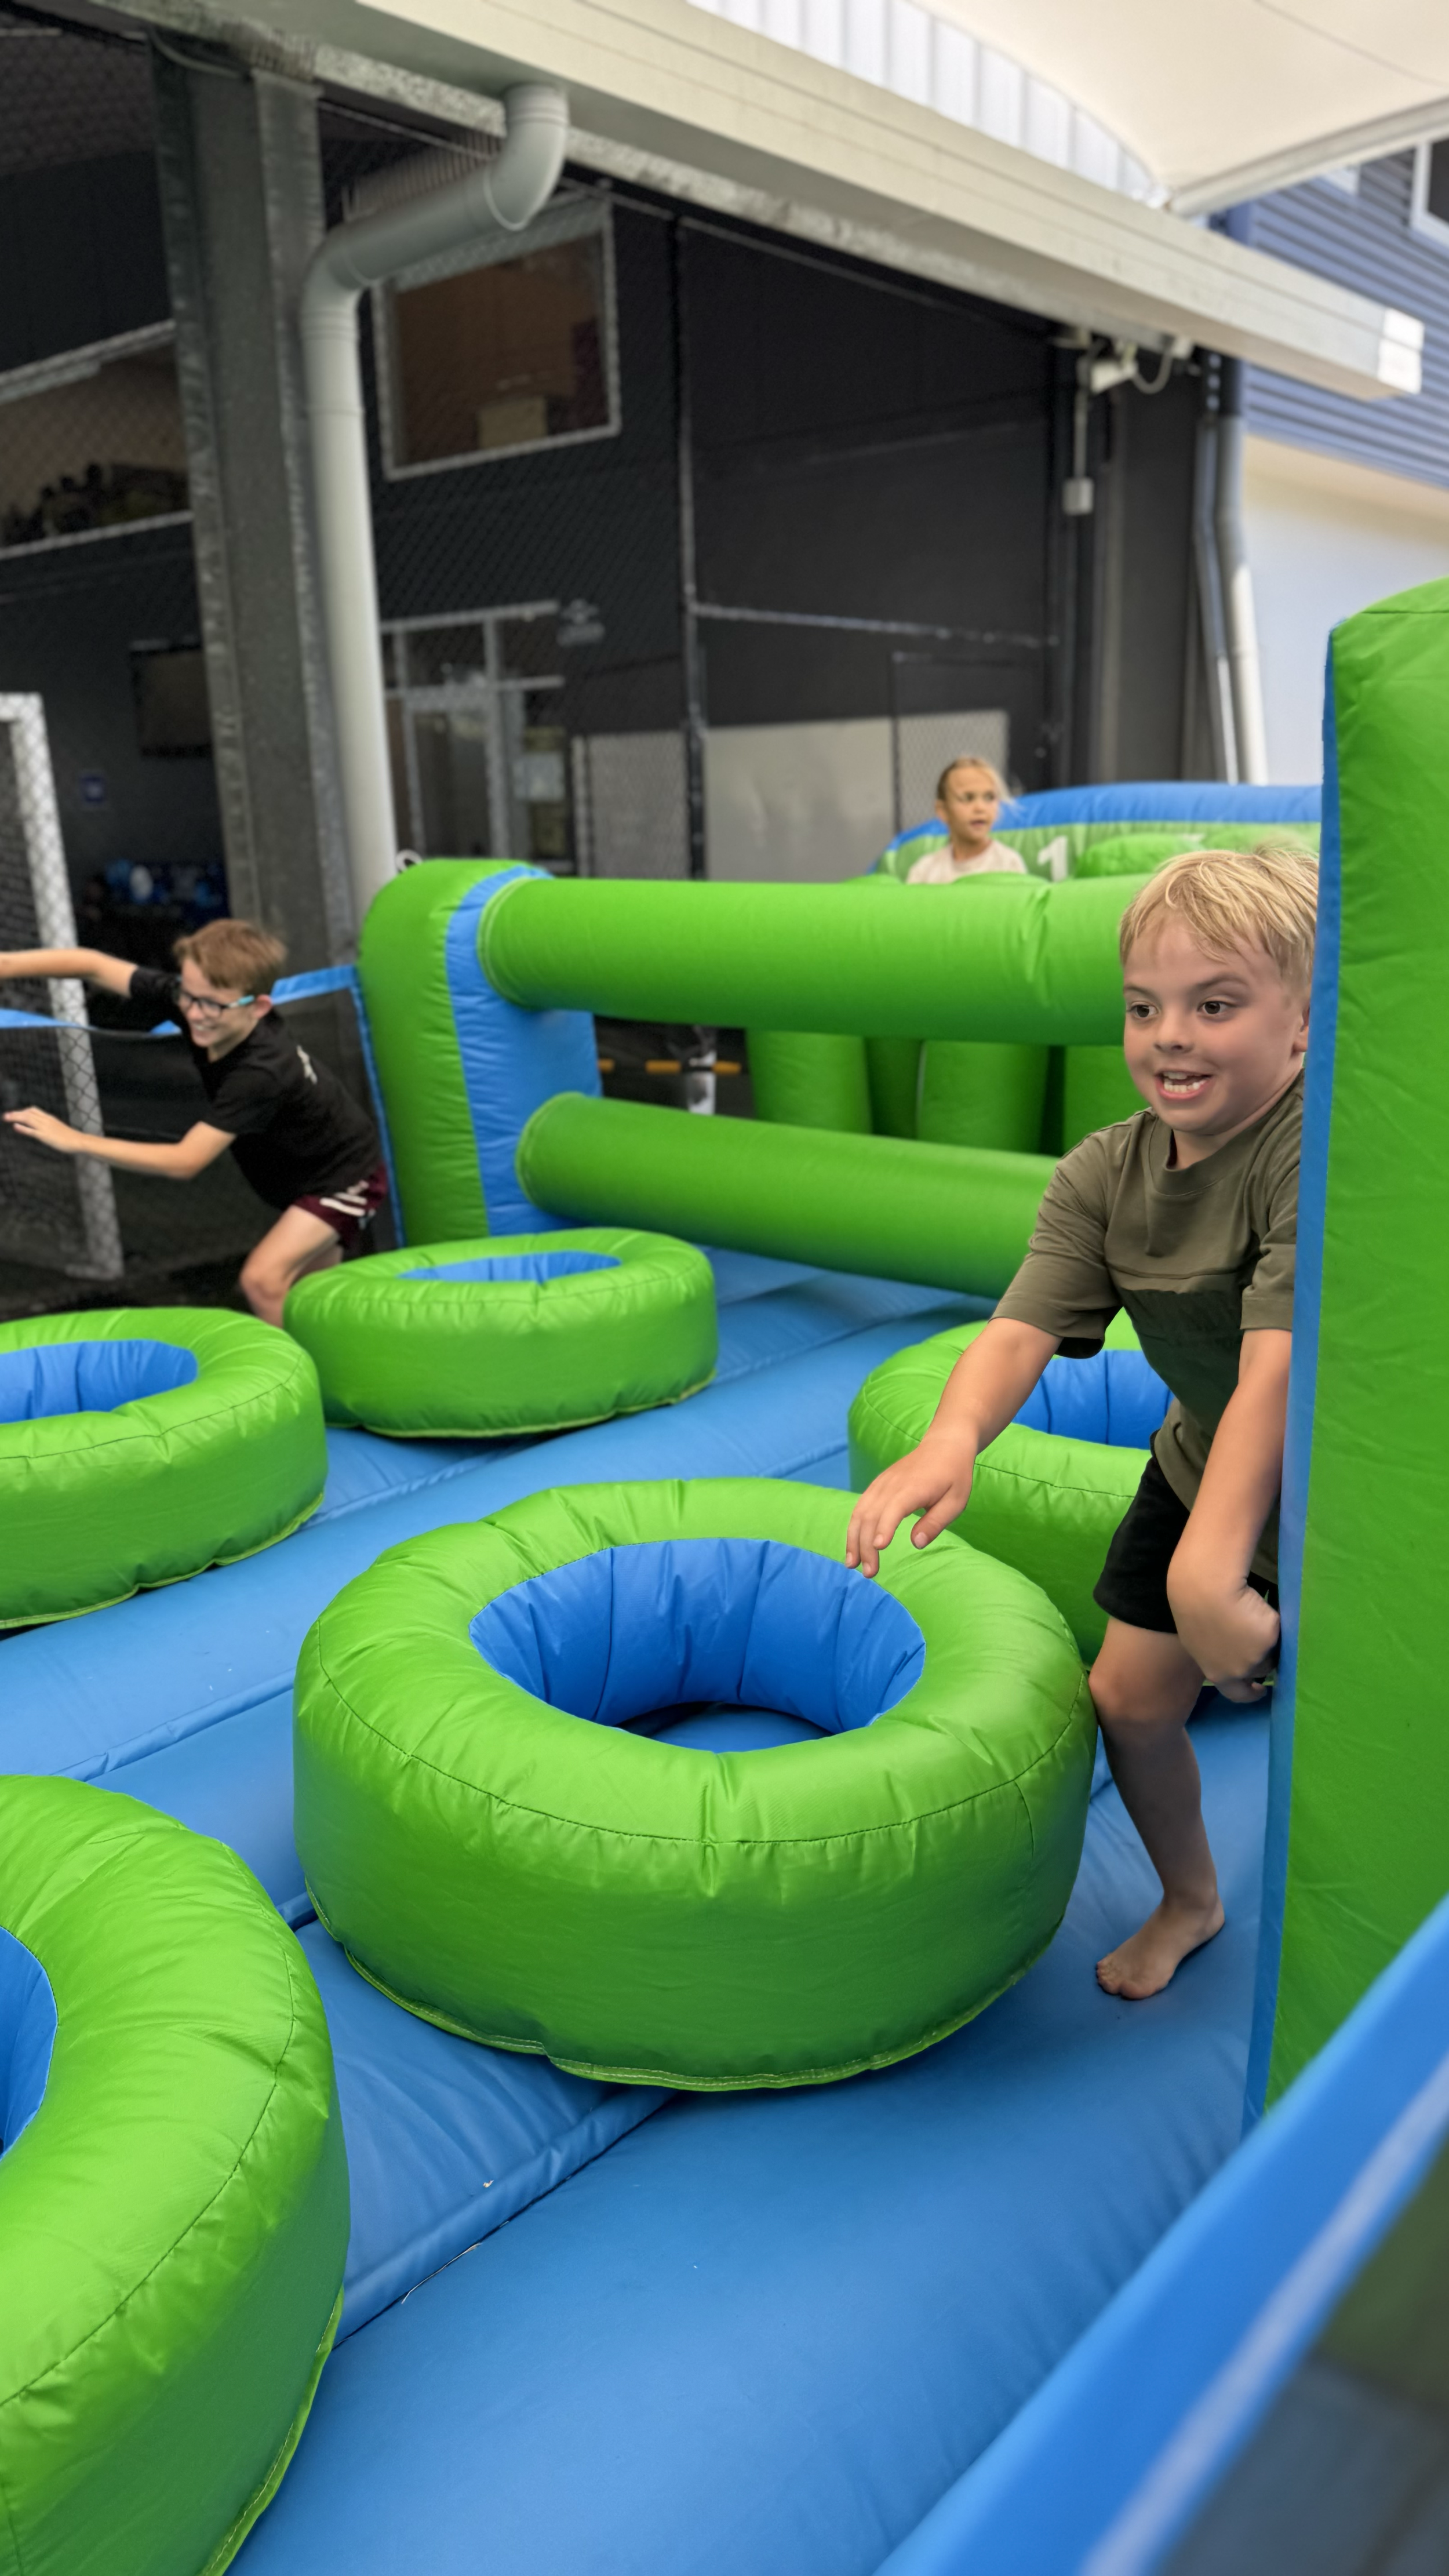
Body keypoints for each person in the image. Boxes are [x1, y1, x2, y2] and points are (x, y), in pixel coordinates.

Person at [846, 844, 1316, 2000]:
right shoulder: (1104, 1173)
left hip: (1349, 1493)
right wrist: (951, 1436)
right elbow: (1017, 1328)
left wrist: (1212, 1561)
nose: (1170, 1034)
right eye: (1143, 1005)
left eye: (1215, 1004)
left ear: (1303, 1022)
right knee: (1125, 1698)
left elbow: (1278, 1363)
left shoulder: (1312, 1149)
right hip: (1204, 1458)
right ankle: (1190, 1896)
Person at [0, 918, 385, 1327]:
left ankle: (300, 1386)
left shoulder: (261, 1072)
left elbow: (185, 1161)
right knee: (312, 1298)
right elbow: (92, 964)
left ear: (257, 1008)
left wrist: (77, 1140)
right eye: (188, 995)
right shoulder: (197, 1000)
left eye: (213, 1005)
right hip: (301, 1175)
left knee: (263, 1281)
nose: (195, 1014)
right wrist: (6, 964)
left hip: (344, 1177)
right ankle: (337, 1363)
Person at [905, 756, 1028, 883]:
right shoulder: (925, 871)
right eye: (968, 798)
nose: (980, 808)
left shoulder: (1008, 864)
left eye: (989, 797)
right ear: (943, 811)